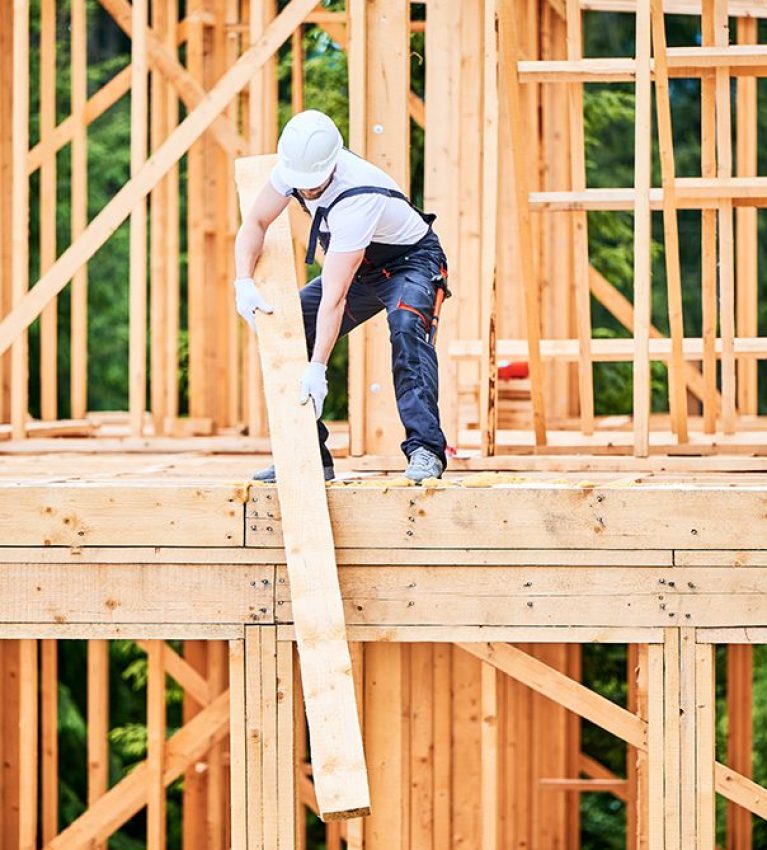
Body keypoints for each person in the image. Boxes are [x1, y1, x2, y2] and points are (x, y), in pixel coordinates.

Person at [233, 109, 450, 483]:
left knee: (406, 327)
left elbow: (335, 297)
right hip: (363, 266)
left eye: (314, 185)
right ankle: (308, 455)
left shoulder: (357, 196)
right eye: (301, 185)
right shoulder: (294, 167)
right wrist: (243, 282)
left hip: (410, 262)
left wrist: (316, 369)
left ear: (331, 164)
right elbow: (256, 222)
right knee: (291, 325)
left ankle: (426, 450)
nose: (307, 192)